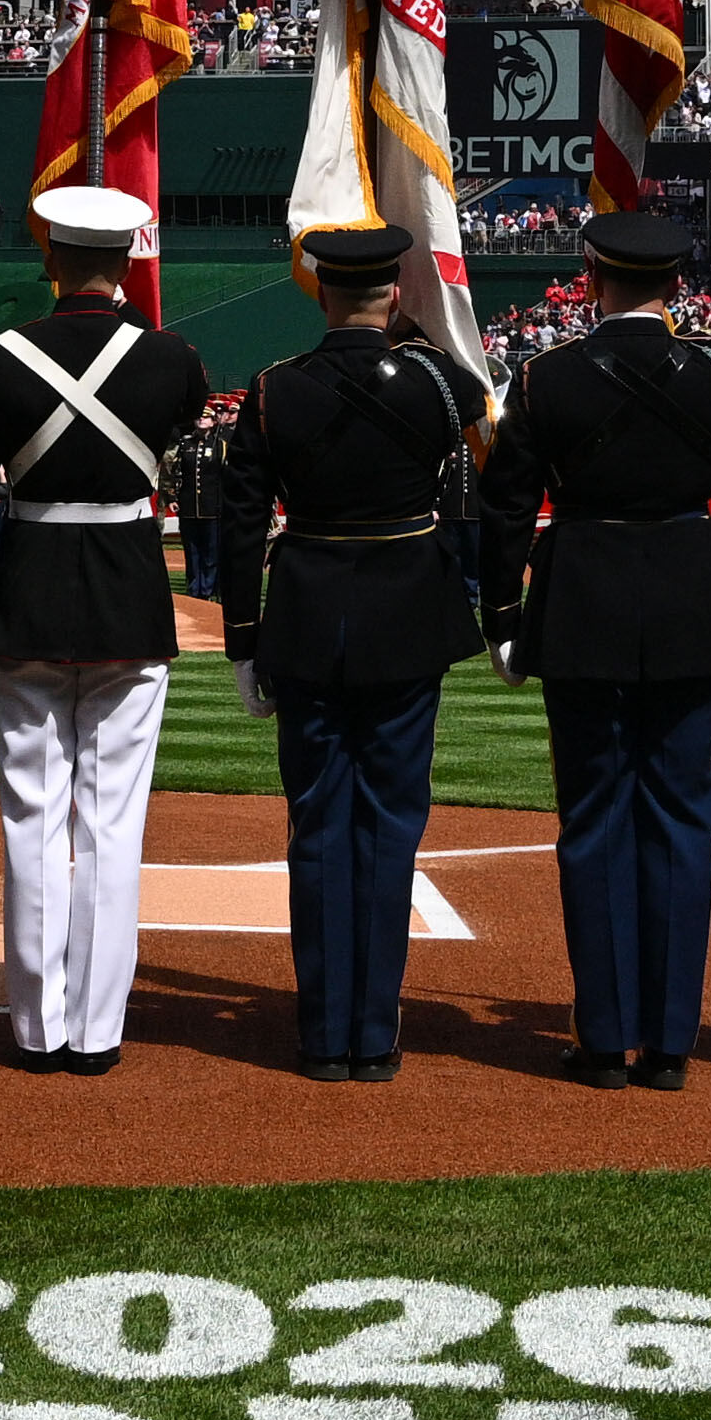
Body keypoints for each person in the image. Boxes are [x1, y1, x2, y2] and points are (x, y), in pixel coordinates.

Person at [0, 185, 203, 1073]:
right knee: (113, 825)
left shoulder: (0, 359)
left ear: (49, 258)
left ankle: (36, 1027)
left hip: (31, 603)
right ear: (128, 261)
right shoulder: (172, 358)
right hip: (129, 602)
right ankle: (97, 1030)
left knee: (32, 819)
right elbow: (180, 430)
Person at [480, 204, 711, 1091]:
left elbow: (508, 504)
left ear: (592, 276)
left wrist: (500, 613)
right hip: (689, 592)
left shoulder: (547, 375)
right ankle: (671, 1040)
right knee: (683, 816)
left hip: (585, 595)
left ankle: (604, 1036)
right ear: (676, 283)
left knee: (593, 817)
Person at [218, 215, 491, 1079]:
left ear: (322, 293)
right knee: (391, 825)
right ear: (397, 293)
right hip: (408, 619)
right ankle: (375, 1033)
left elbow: (240, 521)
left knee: (317, 825)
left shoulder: (273, 388)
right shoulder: (438, 385)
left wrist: (240, 637)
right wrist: (410, 339)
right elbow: (474, 402)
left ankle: (322, 1029)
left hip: (304, 618)